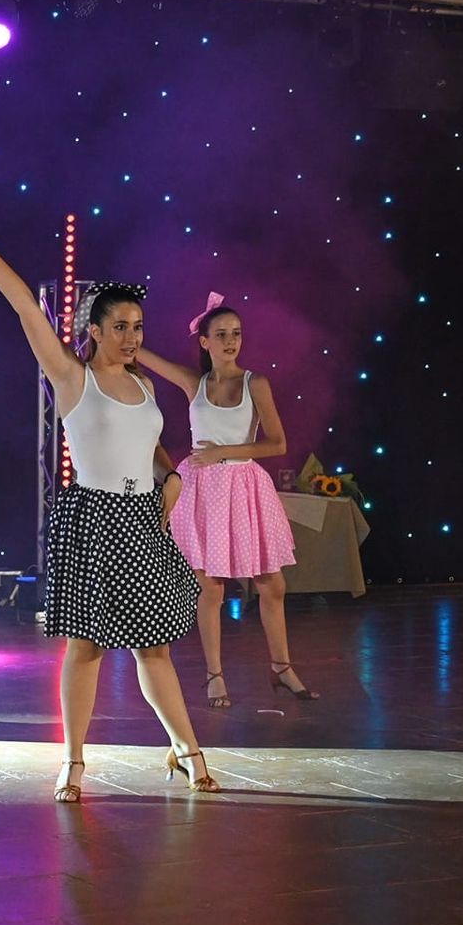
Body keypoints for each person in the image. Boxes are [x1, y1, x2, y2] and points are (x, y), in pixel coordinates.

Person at [0, 232, 212, 800]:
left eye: (138, 327)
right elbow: (25, 307)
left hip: (142, 519)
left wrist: (171, 474)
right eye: (121, 327)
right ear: (96, 330)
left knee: (152, 645)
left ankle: (187, 751)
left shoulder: (144, 383)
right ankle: (74, 762)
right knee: (87, 648)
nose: (132, 337)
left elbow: (150, 442)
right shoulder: (71, 377)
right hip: (92, 517)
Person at [132, 293, 315, 708]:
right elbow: (140, 354)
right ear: (204, 342)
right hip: (202, 491)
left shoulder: (256, 383)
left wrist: (223, 453)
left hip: (244, 487)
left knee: (272, 584)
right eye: (222, 335)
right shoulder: (193, 383)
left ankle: (281, 667)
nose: (231, 341)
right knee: (209, 589)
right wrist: (104, 327)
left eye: (236, 334)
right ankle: (215, 675)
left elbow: (278, 443)